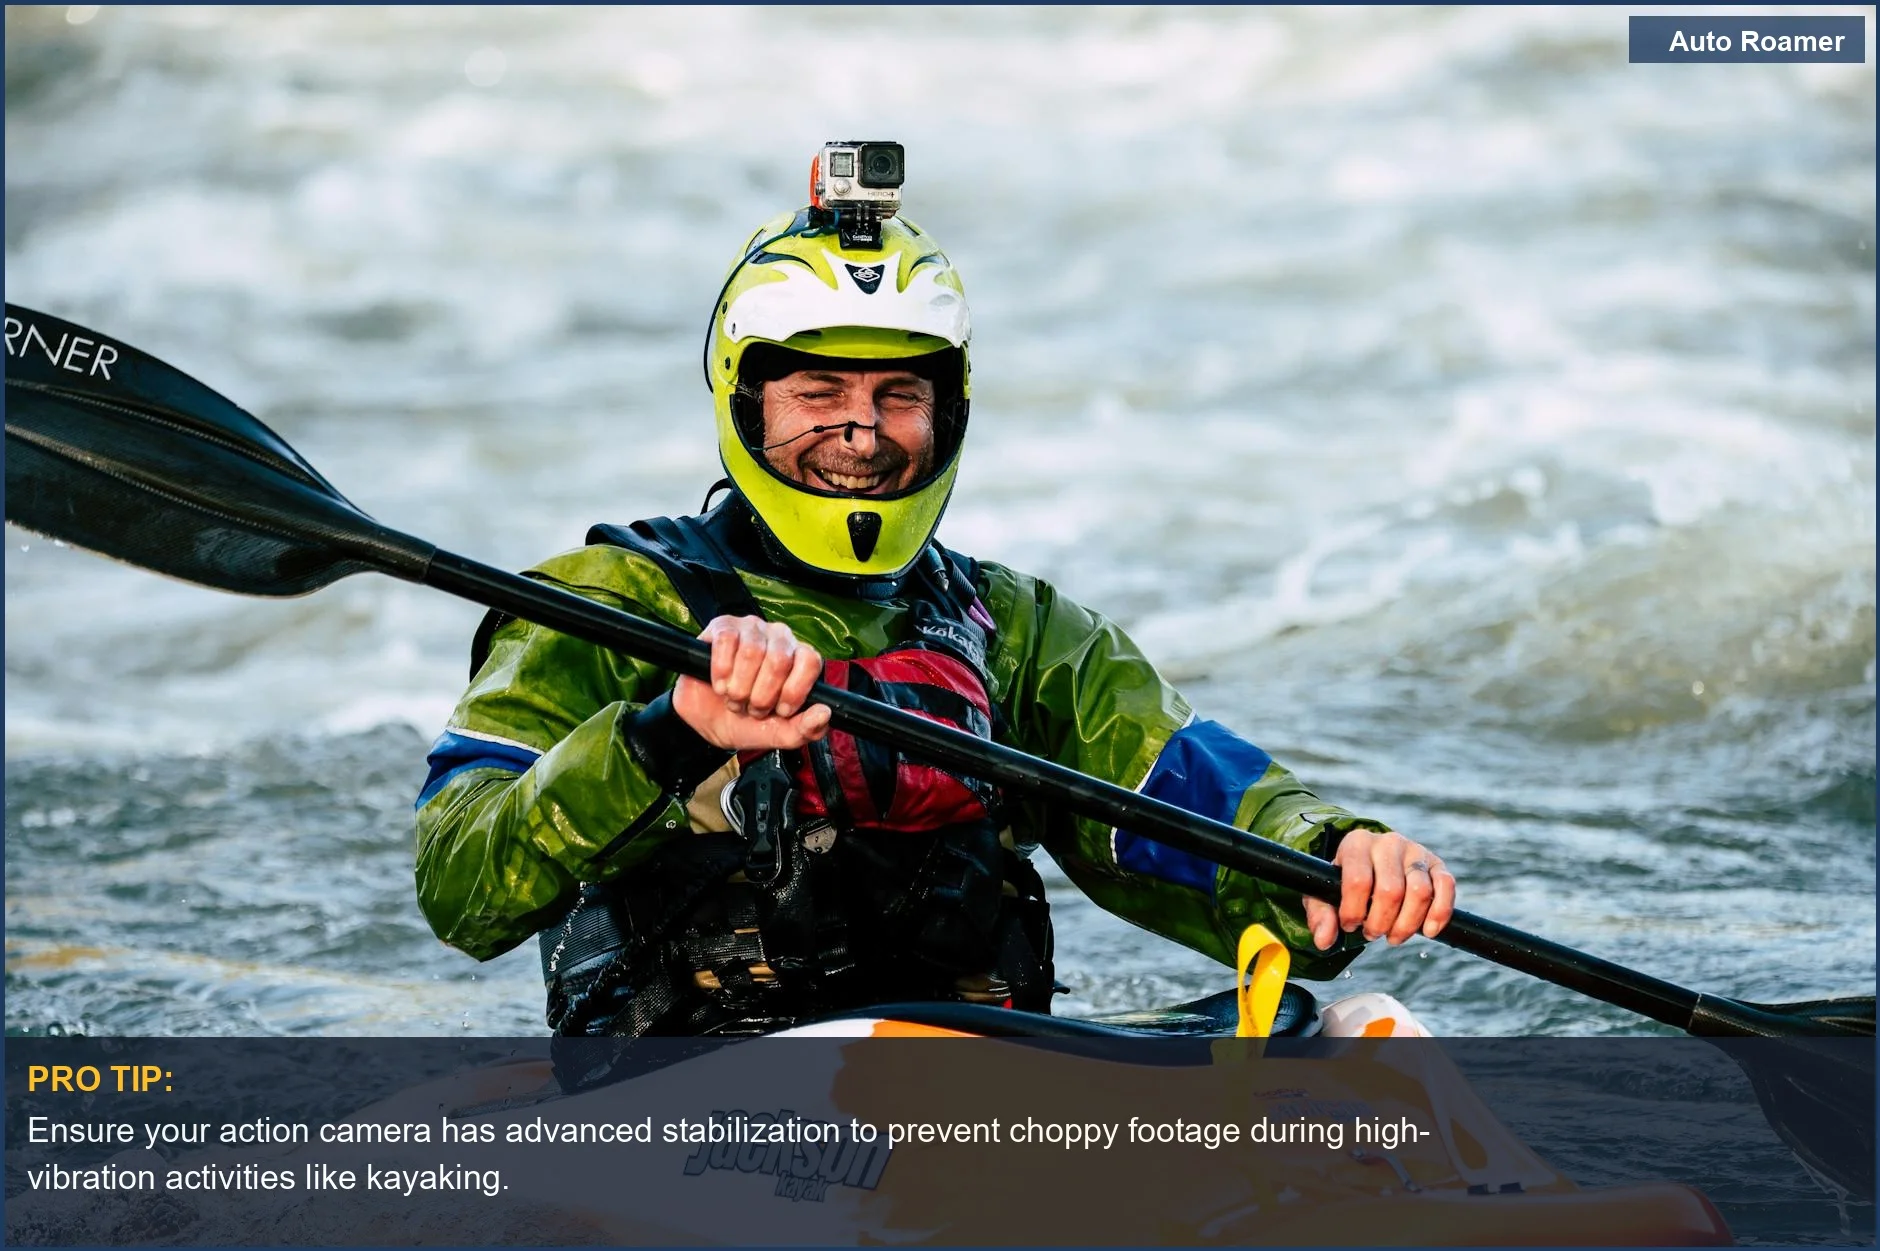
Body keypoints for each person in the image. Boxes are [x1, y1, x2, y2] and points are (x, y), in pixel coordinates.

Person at [414, 180, 1456, 1038]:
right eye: (816, 395)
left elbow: (1187, 793)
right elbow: (460, 883)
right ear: (747, 403)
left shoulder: (1011, 625)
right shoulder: (604, 603)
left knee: (1350, 1033)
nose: (861, 431)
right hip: (692, 1094)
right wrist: (669, 730)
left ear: (945, 411)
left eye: (898, 396)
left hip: (971, 1079)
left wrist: (1328, 857)